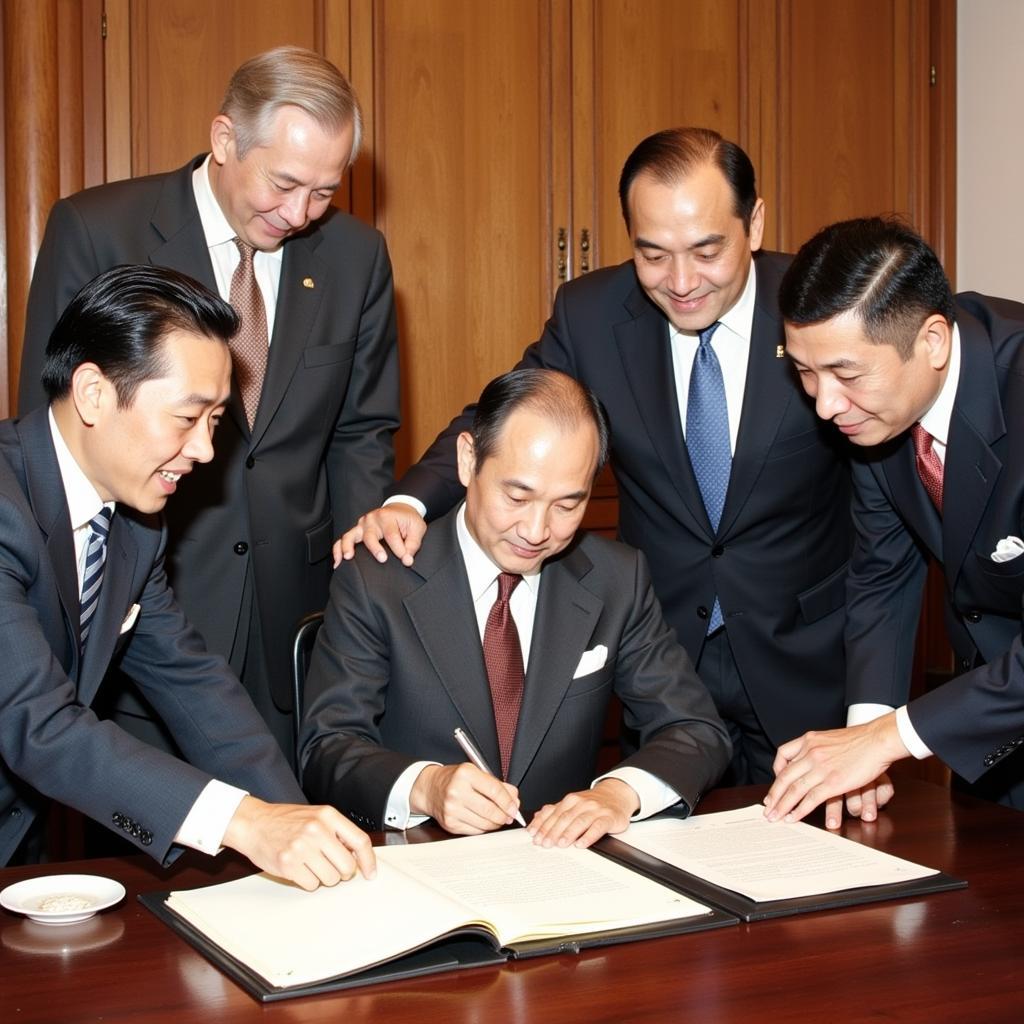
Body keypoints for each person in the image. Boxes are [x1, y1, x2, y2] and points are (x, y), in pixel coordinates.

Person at [337, 127, 852, 784]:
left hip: (806, 660)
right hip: (667, 657)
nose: (682, 281)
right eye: (653, 254)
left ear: (754, 223)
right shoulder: (592, 313)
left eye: (706, 250)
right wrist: (409, 501)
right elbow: (500, 417)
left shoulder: (815, 305)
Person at [18, 47, 399, 764]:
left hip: (296, 607)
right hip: (151, 600)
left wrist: (360, 599)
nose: (299, 214)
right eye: (284, 183)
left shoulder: (356, 255)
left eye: (324, 191)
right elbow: (53, 429)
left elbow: (362, 433)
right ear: (225, 139)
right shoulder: (101, 230)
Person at [0, 265, 373, 888]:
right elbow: (39, 724)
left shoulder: (135, 524)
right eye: (187, 417)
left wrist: (294, 820)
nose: (205, 449)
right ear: (93, 392)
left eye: (217, 420)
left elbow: (191, 681)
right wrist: (248, 823)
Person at [301, 369, 730, 847]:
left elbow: (695, 730)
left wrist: (617, 793)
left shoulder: (615, 579)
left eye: (568, 505)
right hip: (419, 866)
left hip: (557, 870)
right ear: (468, 461)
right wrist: (425, 786)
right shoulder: (377, 576)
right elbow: (327, 748)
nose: (536, 530)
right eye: (517, 496)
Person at [765, 215, 1024, 828]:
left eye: (846, 374)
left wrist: (889, 738)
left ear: (932, 341)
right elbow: (883, 573)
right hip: (996, 738)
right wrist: (861, 741)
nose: (825, 405)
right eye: (805, 371)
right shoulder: (877, 414)